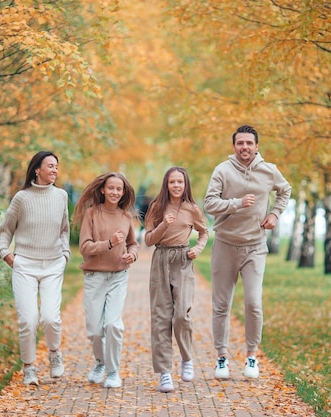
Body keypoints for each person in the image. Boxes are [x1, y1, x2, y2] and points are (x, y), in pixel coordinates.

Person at [204, 125, 291, 380]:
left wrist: (274, 213)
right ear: (234, 146)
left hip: (255, 246)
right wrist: (237, 203)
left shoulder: (269, 170)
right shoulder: (222, 170)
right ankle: (221, 358)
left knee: (253, 303)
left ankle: (251, 356)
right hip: (225, 245)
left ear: (256, 146)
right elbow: (210, 203)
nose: (244, 147)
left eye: (249, 143)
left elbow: (285, 190)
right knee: (221, 305)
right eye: (240, 143)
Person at [0, 151, 70, 386]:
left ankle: (54, 353)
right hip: (24, 264)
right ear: (37, 169)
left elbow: (64, 229)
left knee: (49, 317)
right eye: (50, 166)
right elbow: (5, 230)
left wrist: (65, 255)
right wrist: (5, 254)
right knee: (28, 319)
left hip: (53, 264)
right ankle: (29, 367)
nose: (55, 170)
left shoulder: (61, 196)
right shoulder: (22, 198)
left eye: (56, 166)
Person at [143, 167, 209, 393]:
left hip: (183, 259)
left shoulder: (192, 209)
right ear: (167, 184)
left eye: (180, 181)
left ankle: (187, 358)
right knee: (161, 317)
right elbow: (149, 239)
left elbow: (204, 232)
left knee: (181, 314)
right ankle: (164, 373)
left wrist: (197, 249)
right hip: (161, 259)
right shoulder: (156, 207)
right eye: (172, 182)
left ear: (185, 184)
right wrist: (164, 224)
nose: (176, 186)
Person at [72, 172, 139, 389]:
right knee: (94, 330)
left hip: (118, 276)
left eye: (119, 189)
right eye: (111, 188)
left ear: (123, 192)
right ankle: (100, 362)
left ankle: (113, 371)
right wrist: (108, 243)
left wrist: (133, 254)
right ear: (102, 190)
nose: (115, 192)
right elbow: (85, 248)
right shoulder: (92, 214)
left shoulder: (126, 217)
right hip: (94, 276)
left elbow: (133, 244)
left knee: (112, 325)